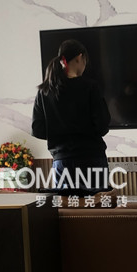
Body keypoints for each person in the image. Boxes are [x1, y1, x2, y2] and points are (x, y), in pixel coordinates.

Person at [32, 39, 111, 194]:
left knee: (67, 206)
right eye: (85, 61)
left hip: (62, 161)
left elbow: (37, 129)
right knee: (97, 206)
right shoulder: (90, 87)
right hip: (92, 158)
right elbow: (102, 126)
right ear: (79, 58)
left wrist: (58, 133)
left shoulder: (44, 92)